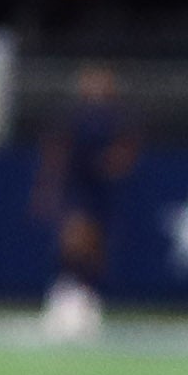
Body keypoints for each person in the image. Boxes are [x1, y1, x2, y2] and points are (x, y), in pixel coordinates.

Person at [37, 62, 138, 338]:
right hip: (77, 185)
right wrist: (47, 188)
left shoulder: (117, 117)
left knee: (95, 245)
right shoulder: (72, 116)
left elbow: (126, 149)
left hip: (102, 189)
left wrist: (116, 163)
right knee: (73, 237)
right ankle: (63, 294)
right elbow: (56, 152)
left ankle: (88, 297)